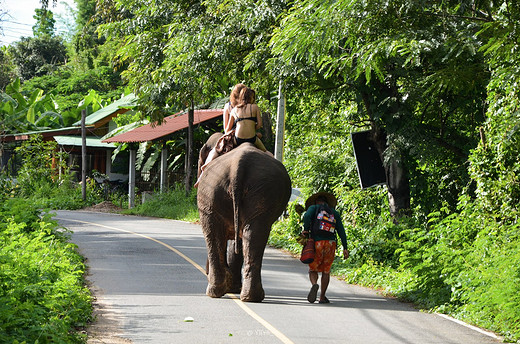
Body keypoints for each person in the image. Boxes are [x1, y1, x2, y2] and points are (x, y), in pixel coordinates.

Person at [302, 191, 349, 304]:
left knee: (313, 269)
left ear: (316, 201)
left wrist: (306, 229)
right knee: (326, 271)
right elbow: (341, 231)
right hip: (330, 244)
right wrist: (345, 247)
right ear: (327, 203)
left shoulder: (313, 208)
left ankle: (314, 284)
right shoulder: (334, 213)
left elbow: (307, 216)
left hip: (317, 243)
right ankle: (322, 297)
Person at [227, 87, 267, 151]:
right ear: (250, 97)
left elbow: (228, 129)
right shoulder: (255, 107)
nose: (253, 99)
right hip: (252, 139)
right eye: (253, 97)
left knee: (222, 151)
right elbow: (259, 124)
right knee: (266, 153)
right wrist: (251, 127)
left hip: (238, 139)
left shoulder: (234, 110)